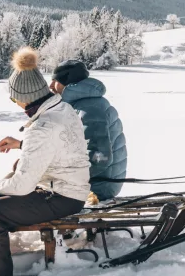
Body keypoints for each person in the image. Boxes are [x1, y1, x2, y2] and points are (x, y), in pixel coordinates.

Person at [0, 48, 90, 276]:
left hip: (62, 196)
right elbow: (55, 145)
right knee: (2, 187)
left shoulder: (42, 126)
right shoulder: (60, 109)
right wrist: (22, 145)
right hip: (68, 188)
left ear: (23, 98)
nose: (15, 103)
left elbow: (23, 184)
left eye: (13, 98)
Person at [50, 59, 127, 201]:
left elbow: (100, 157)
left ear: (67, 82)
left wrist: (62, 176)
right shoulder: (80, 105)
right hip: (92, 182)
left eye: (55, 81)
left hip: (98, 186)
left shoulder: (89, 109)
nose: (50, 86)